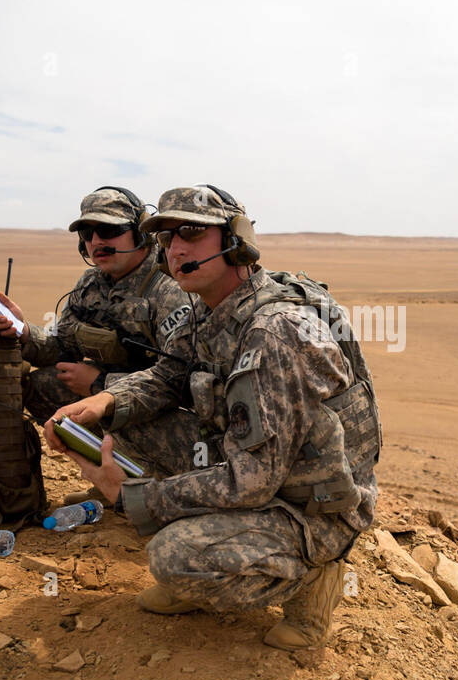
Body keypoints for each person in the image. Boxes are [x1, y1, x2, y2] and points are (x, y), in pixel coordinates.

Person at [44, 185, 381, 651]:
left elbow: (252, 482)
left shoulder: (274, 331)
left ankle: (313, 577)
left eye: (191, 233)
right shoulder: (207, 312)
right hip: (256, 465)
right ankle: (207, 573)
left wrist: (131, 496)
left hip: (311, 504)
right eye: (166, 237)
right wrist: (106, 401)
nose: (176, 248)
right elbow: (168, 377)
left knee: (173, 556)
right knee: (126, 418)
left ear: (234, 241)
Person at [0, 186, 193, 424]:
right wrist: (22, 330)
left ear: (140, 234)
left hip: (160, 404)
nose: (96, 241)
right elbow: (61, 346)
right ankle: (96, 456)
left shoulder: (170, 287)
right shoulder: (90, 282)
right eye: (87, 233)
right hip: (110, 391)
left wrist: (100, 384)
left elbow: (179, 381)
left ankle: (128, 459)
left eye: (108, 230)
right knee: (41, 385)